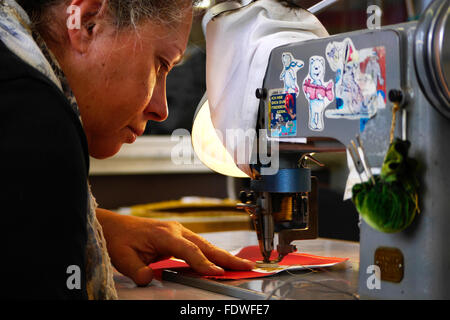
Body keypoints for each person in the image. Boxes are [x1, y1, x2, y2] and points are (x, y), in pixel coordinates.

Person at [0, 0, 254, 300]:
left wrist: (99, 225)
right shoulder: (35, 114)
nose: (162, 109)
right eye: (161, 64)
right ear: (87, 22)